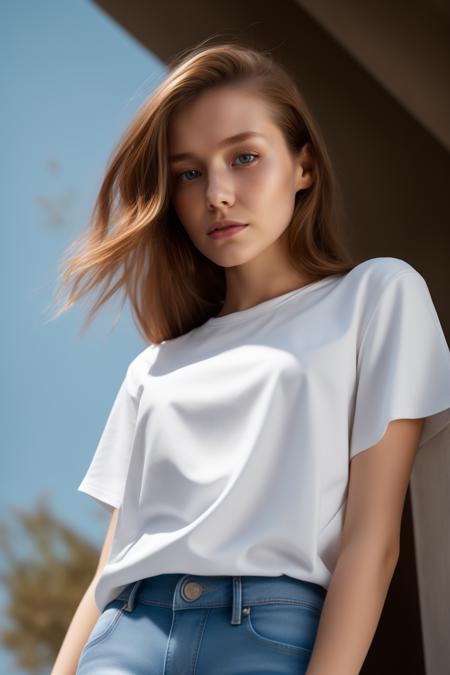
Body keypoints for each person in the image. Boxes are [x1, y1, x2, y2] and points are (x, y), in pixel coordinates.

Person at [50, 40, 450, 675]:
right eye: (189, 172)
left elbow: (372, 545)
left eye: (244, 157)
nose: (218, 194)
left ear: (304, 167)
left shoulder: (377, 295)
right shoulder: (154, 367)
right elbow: (109, 567)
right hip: (123, 638)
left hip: (266, 638)